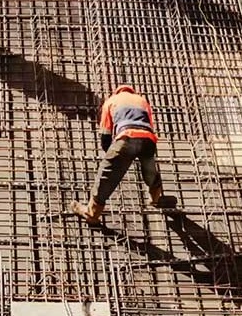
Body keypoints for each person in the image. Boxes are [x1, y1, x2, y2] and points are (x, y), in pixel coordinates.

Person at [72, 84, 172, 224]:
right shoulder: (142, 101)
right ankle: (156, 199)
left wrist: (112, 156)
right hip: (148, 139)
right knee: (150, 169)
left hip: (126, 137)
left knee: (105, 175)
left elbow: (105, 135)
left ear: (116, 92)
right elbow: (149, 124)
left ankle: (92, 213)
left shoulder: (111, 101)